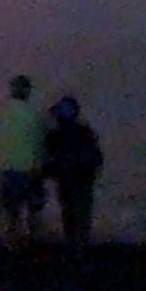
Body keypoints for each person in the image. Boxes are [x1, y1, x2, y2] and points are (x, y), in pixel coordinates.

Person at [0, 75, 49, 245]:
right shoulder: (34, 115)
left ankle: (12, 243)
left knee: (11, 210)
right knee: (33, 208)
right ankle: (33, 242)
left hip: (8, 168)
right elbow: (40, 143)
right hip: (30, 169)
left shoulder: (2, 114)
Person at [43, 95, 103, 247]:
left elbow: (49, 157)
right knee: (81, 213)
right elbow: (95, 155)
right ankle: (80, 244)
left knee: (69, 212)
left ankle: (73, 244)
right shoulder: (84, 132)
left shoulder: (55, 135)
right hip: (82, 178)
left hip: (67, 178)